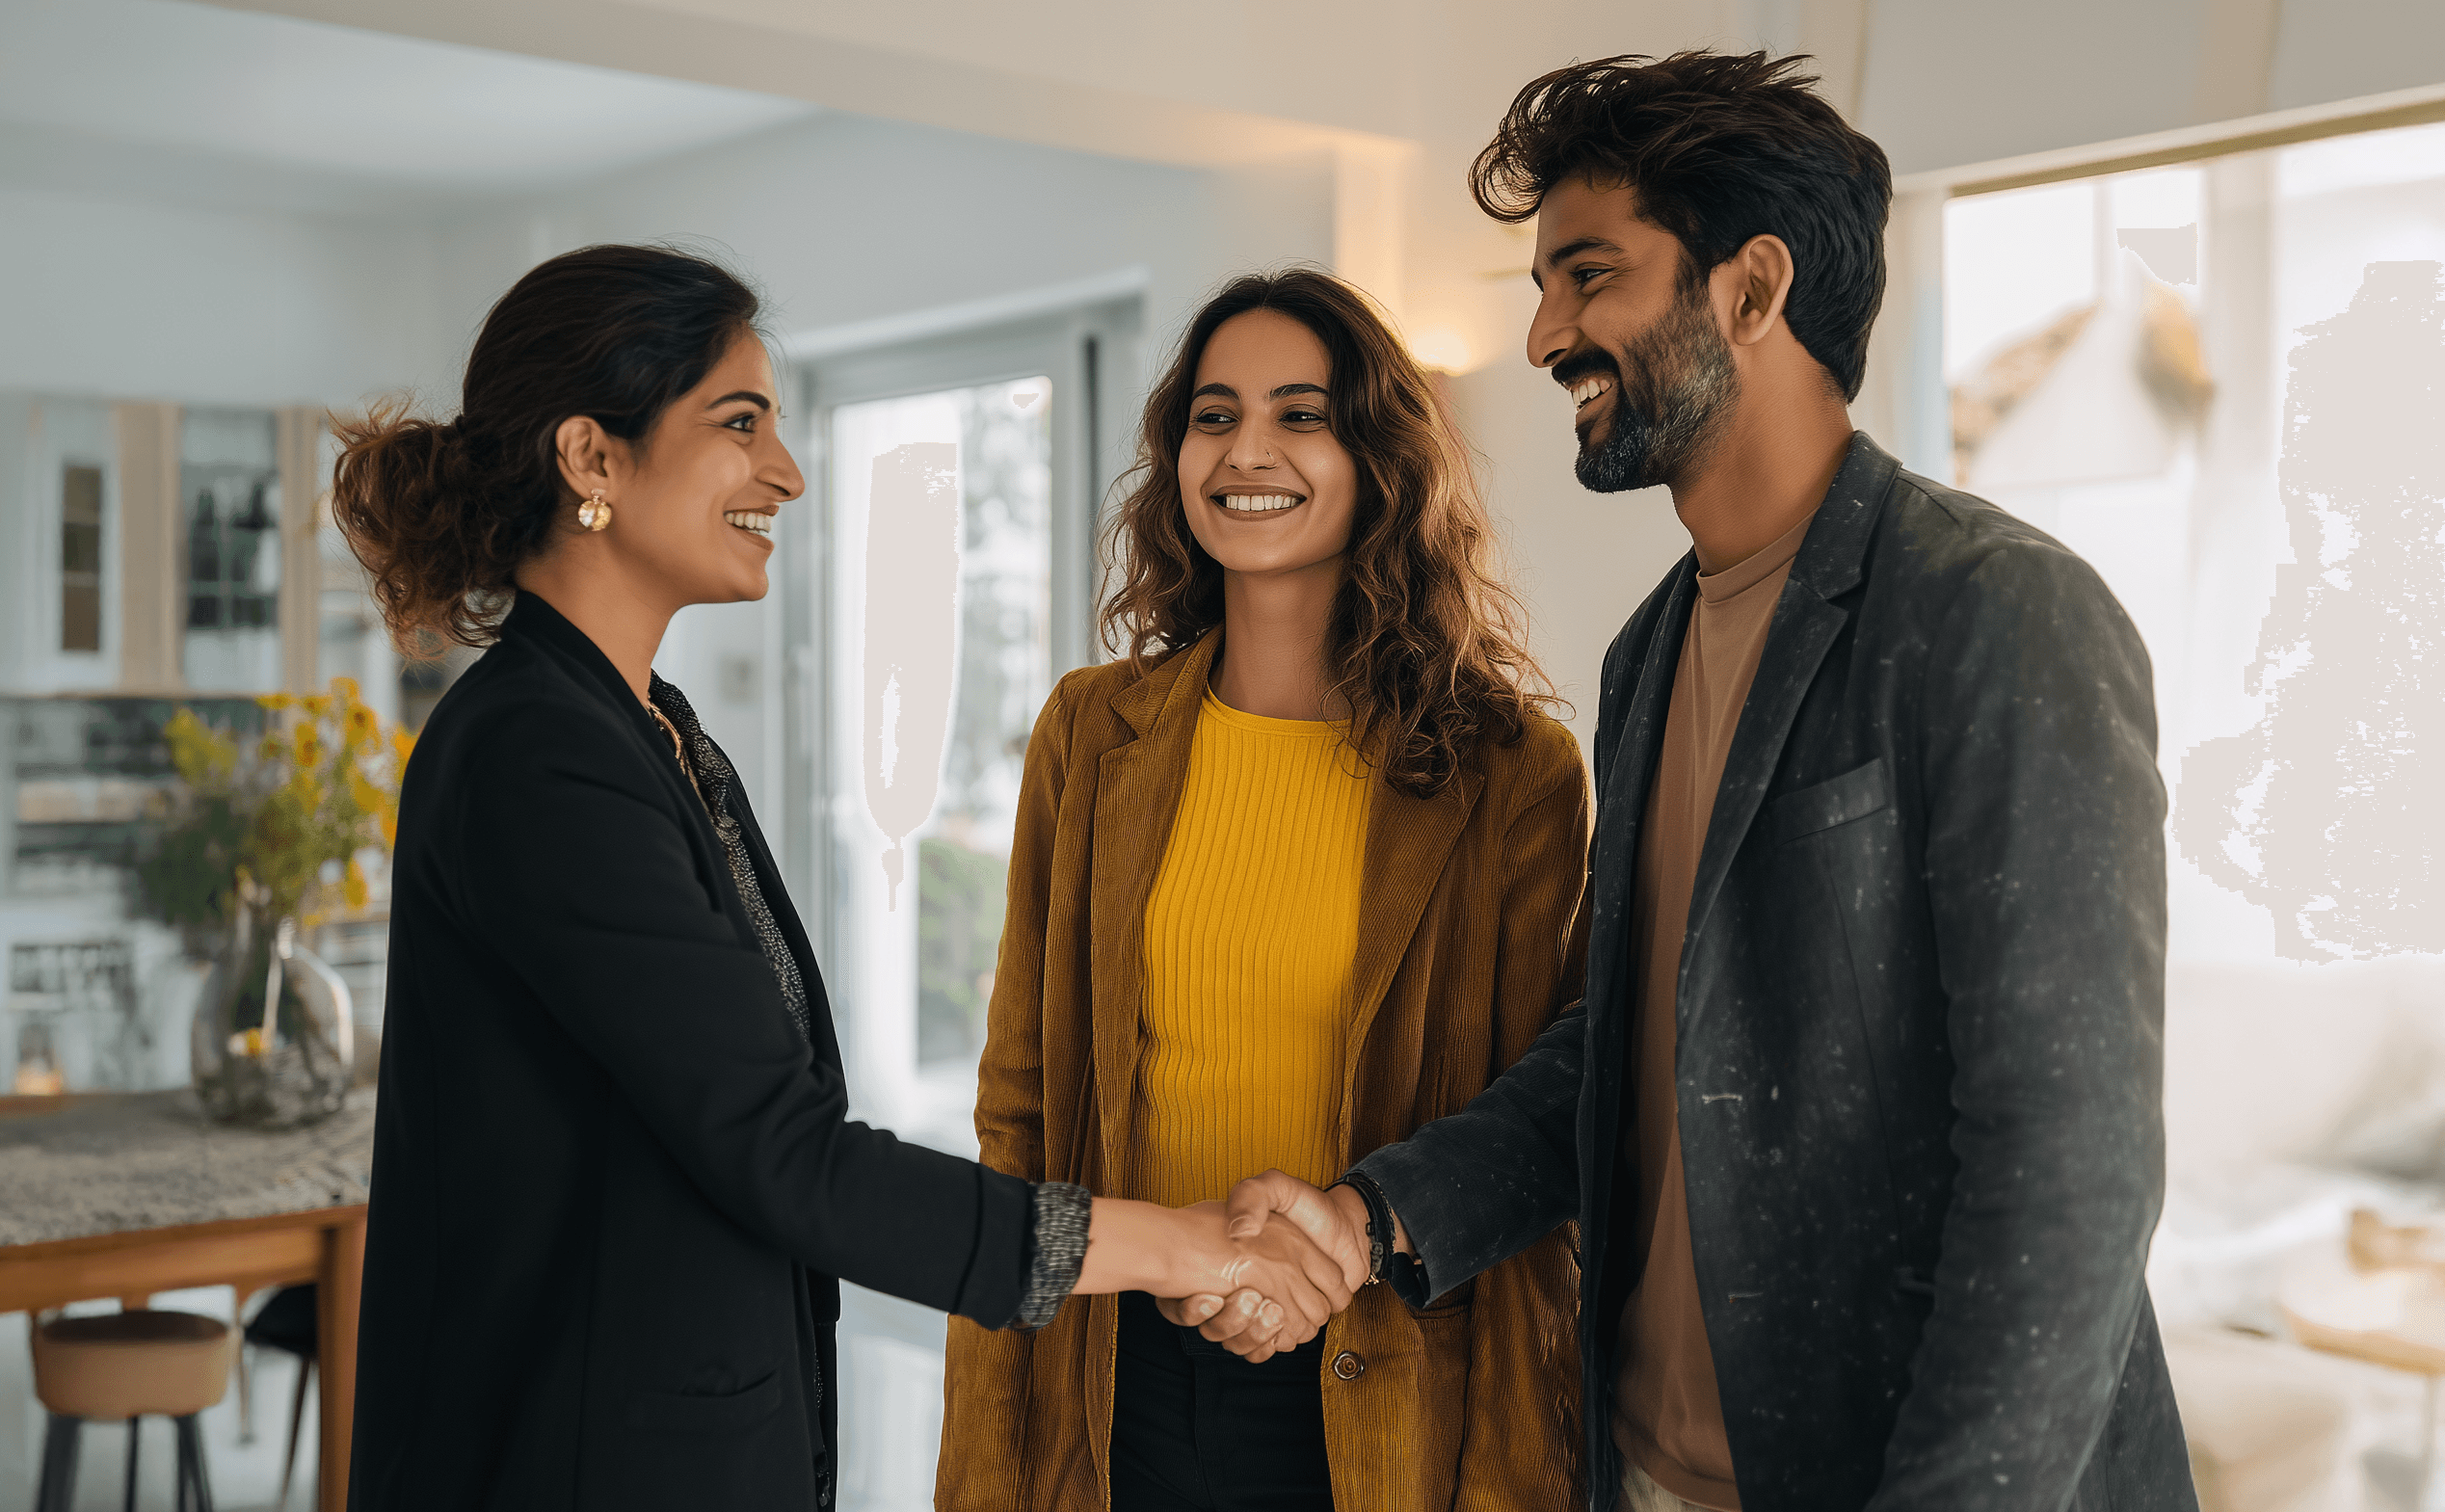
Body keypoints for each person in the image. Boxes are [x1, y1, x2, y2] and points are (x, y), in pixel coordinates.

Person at [1211, 53, 2196, 1512]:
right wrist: (1371, 1217)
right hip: (1648, 1475)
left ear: (1750, 290)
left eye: (1588, 275)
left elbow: (2072, 1169)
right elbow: (1624, 1047)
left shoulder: (1993, 615)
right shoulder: (1648, 654)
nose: (1547, 331)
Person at [332, 244, 1351, 1512]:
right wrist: (1181, 1243)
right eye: (740, 422)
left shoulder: (651, 729)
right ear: (593, 459)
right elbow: (788, 1153)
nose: (787, 472)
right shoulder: (534, 755)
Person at [936, 269, 1589, 1511]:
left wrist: (1344, 1248)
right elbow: (1021, 1098)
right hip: (1106, 1362)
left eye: (1302, 413)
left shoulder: (1510, 771)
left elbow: (1549, 1114)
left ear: (1380, 456)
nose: (1249, 451)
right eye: (1214, 414)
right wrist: (991, 1422)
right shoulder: (1091, 734)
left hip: (1386, 1378)